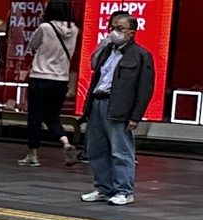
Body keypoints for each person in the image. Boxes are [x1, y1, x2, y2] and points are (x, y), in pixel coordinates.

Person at [81, 12, 153, 206]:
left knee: (121, 151)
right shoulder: (107, 50)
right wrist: (102, 45)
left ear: (131, 32)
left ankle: (124, 190)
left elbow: (145, 89)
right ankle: (103, 188)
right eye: (112, 27)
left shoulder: (141, 55)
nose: (114, 32)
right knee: (96, 149)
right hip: (98, 102)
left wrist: (135, 116)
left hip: (119, 107)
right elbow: (94, 67)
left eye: (120, 29)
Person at [17, 1, 76, 167]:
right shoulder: (75, 30)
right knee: (52, 117)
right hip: (61, 80)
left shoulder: (45, 28)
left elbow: (33, 45)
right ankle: (65, 142)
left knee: (35, 117)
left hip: (41, 77)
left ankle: (33, 155)